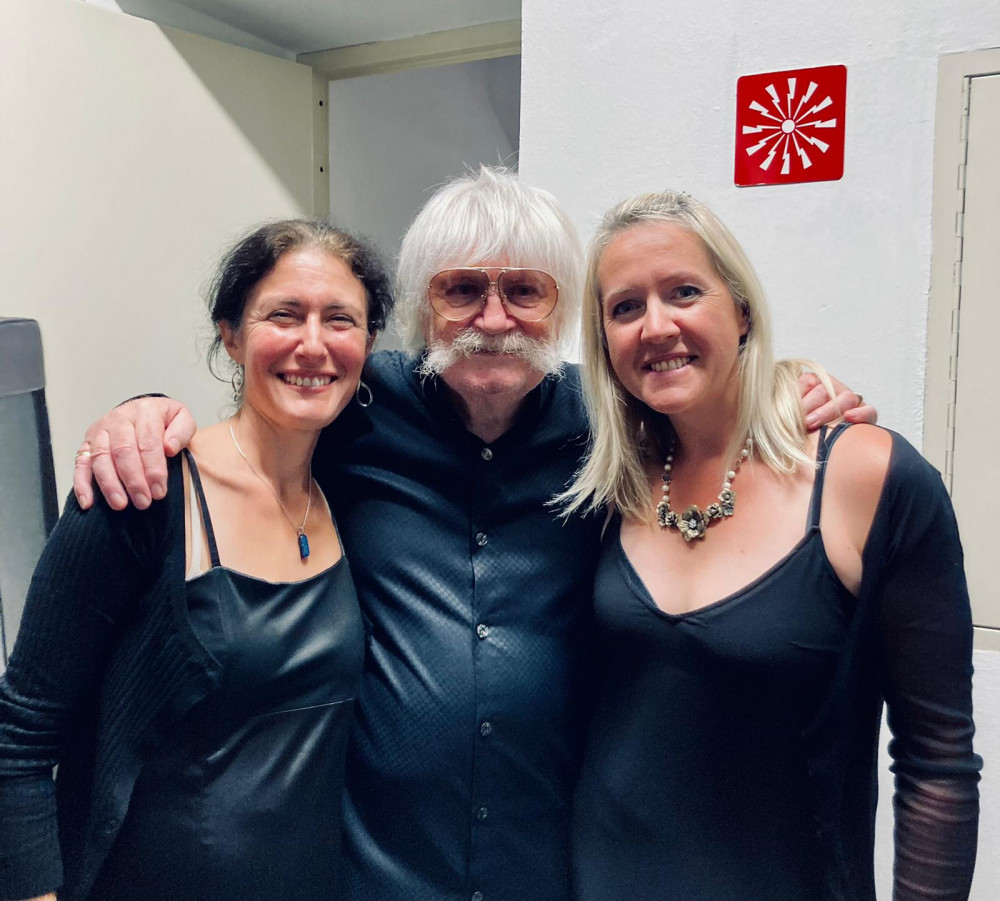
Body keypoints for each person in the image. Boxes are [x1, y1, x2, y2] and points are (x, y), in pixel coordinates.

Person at [69, 168, 874, 901]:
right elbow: (269, 409)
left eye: (526, 290)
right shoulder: (358, 412)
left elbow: (708, 409)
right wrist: (144, 411)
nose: (493, 318)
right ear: (424, 304)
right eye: (461, 290)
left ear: (565, 311)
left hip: (552, 865)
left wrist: (788, 387)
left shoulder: (614, 428)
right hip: (375, 870)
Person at [559, 190, 981, 901]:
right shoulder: (607, 483)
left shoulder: (868, 477)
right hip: (600, 875)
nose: (656, 326)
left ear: (742, 309)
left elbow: (937, 761)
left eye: (684, 291)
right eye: (625, 307)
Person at [0, 219, 393, 901]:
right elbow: (21, 736)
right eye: (284, 314)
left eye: (340, 319)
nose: (312, 344)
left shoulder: (355, 491)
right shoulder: (143, 492)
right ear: (230, 333)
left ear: (368, 345)